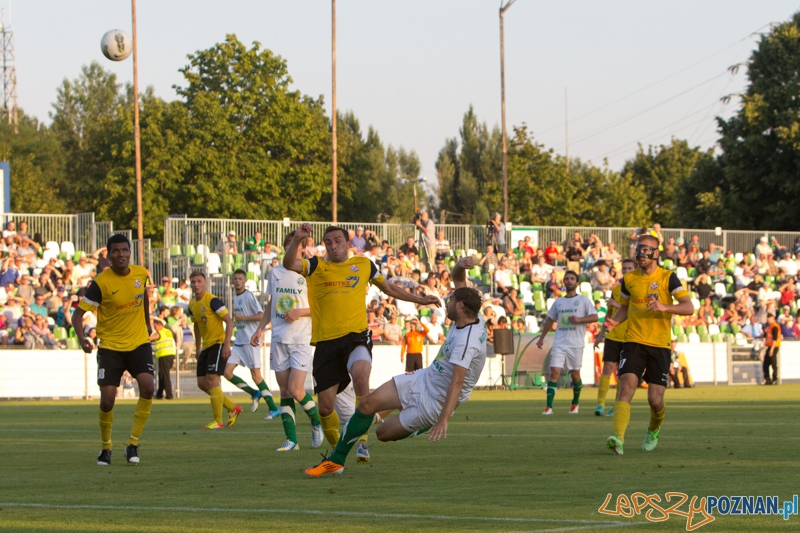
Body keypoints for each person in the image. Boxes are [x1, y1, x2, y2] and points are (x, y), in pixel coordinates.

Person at [305, 256, 486, 477]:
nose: (446, 303)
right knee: (367, 404)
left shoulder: (465, 342)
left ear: (460, 305)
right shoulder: (471, 315)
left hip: (435, 403)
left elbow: (457, 383)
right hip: (423, 378)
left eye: (450, 301)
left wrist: (442, 419)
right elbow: (458, 277)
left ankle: (424, 424)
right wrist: (461, 264)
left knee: (382, 433)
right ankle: (336, 461)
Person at [283, 224, 439, 463]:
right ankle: (337, 451)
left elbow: (387, 287)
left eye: (338, 241)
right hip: (326, 342)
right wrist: (298, 241)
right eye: (328, 242)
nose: (333, 246)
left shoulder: (364, 265)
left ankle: (363, 442)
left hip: (356, 336)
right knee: (325, 408)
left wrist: (419, 299)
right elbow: (288, 264)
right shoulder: (316, 265)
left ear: (348, 243)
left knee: (361, 377)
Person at [603, 234, 693, 455]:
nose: (640, 254)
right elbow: (625, 307)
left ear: (656, 254)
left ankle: (654, 429)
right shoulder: (629, 279)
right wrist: (615, 321)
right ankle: (618, 437)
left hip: (659, 345)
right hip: (633, 342)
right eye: (638, 249)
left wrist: (664, 307)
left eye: (645, 250)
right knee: (626, 388)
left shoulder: (668, 278)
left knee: (655, 400)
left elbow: (688, 307)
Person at [71, 234, 155, 466]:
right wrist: (82, 339)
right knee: (107, 400)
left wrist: (148, 323)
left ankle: (133, 443)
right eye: (115, 251)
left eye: (124, 250)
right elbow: (77, 314)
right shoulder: (101, 283)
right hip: (110, 347)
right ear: (108, 255)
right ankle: (106, 447)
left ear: (130, 252)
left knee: (148, 387)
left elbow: (144, 296)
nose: (121, 254)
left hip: (139, 343)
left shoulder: (140, 274)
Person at [536, 270, 598, 415]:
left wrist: (580, 320)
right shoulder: (559, 302)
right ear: (563, 283)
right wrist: (542, 337)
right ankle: (549, 407)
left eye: (572, 279)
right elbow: (550, 319)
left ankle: (575, 403)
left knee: (575, 374)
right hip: (560, 343)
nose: (569, 281)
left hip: (575, 344)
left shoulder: (584, 300)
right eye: (567, 279)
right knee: (554, 372)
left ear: (577, 283)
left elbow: (595, 317)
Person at [188, 271, 242, 429]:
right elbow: (196, 325)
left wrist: (226, 344)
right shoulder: (192, 304)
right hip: (206, 347)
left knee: (212, 381)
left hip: (218, 344)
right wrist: (198, 348)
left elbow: (230, 321)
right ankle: (233, 407)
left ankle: (218, 421)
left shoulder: (213, 301)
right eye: (193, 282)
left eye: (199, 281)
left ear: (205, 283)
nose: (196, 284)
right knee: (202, 383)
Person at [224, 269, 280, 416]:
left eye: (240, 279)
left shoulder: (248, 296)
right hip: (239, 342)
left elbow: (261, 315)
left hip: (250, 341)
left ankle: (273, 407)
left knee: (256, 376)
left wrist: (243, 318)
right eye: (235, 278)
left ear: (245, 281)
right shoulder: (235, 297)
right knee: (226, 372)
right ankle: (254, 392)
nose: (237, 281)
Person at [593, 259, 637, 416]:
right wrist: (600, 335)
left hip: (629, 337)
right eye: (624, 268)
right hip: (613, 336)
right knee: (607, 369)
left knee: (623, 374)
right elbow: (609, 314)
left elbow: (634, 310)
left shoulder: (638, 289)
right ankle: (600, 405)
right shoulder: (617, 290)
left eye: (629, 267)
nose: (626, 270)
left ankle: (615, 406)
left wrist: (616, 304)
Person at [152, 318, 176, 400]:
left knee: (165, 375)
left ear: (160, 325)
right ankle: (159, 394)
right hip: (171, 354)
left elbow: (150, 338)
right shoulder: (168, 331)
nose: (155, 328)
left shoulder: (160, 332)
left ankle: (169, 394)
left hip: (164, 354)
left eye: (155, 326)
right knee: (162, 374)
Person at [763, 313, 781, 385]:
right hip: (769, 346)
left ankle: (775, 379)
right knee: (766, 364)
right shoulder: (769, 327)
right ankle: (767, 379)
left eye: (769, 318)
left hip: (774, 347)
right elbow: (766, 336)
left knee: (773, 363)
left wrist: (772, 349)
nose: (768, 319)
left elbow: (775, 339)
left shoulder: (775, 326)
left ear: (773, 318)